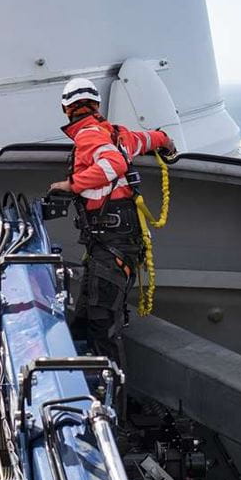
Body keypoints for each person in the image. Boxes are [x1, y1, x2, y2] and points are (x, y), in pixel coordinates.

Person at [48, 77, 177, 365]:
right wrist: (167, 143)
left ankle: (111, 395)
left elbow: (113, 164)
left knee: (101, 322)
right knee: (87, 316)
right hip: (118, 245)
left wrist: (72, 184)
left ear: (66, 108)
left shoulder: (87, 135)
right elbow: (151, 139)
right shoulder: (117, 134)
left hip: (110, 245)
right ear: (96, 104)